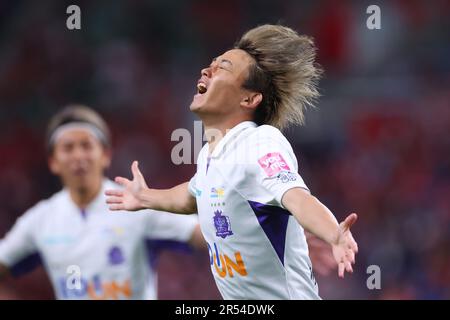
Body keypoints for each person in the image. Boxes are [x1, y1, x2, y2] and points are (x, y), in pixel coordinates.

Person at [106, 24, 358, 299]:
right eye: (210, 64)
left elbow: (296, 197)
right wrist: (145, 197)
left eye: (222, 67)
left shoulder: (259, 142)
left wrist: (333, 233)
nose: (206, 70)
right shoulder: (209, 156)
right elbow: (191, 195)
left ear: (249, 98)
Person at [0, 105, 204, 300]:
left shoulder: (136, 205)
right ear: (53, 162)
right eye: (68, 148)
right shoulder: (41, 220)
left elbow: (202, 234)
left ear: (105, 155)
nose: (78, 156)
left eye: (86, 146)